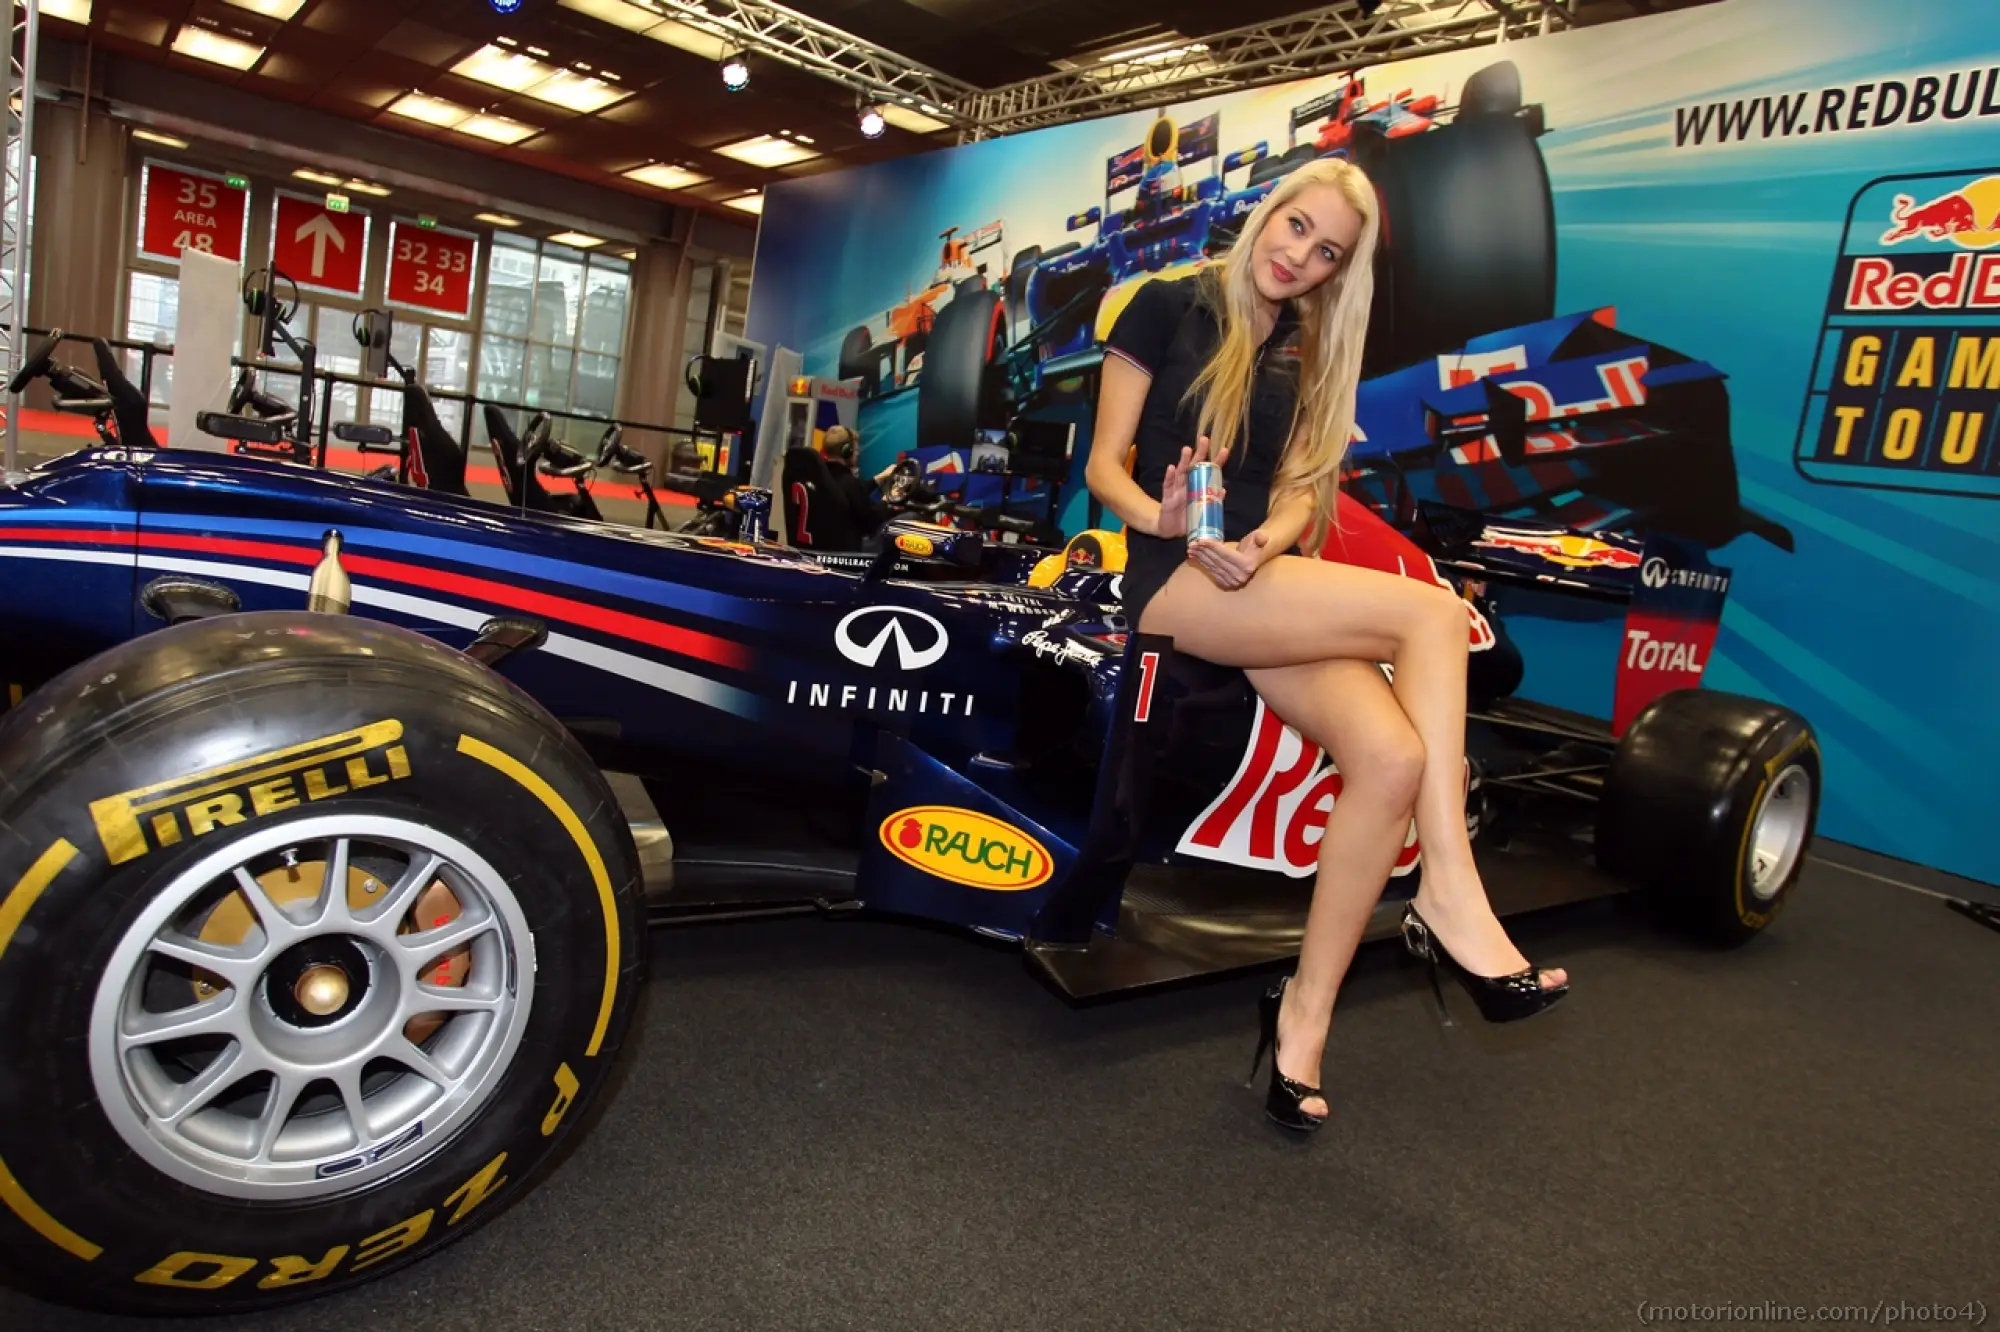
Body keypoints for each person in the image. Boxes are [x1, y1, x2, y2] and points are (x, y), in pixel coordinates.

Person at [1084, 158, 1570, 1134]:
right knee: (1429, 615)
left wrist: (1265, 536)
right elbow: (1103, 464)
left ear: (1337, 272)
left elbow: (1303, 486)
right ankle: (1447, 890)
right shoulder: (1163, 307)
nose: (1297, 254)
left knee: (1388, 757)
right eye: (1294, 227)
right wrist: (1162, 514)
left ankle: (1302, 1021)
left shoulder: (1306, 349)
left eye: (1325, 251)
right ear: (1267, 211)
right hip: (1168, 579)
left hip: (1259, 583)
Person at [820, 425, 896, 540]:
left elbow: (854, 494)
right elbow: (872, 523)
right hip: (851, 548)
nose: (857, 453)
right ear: (846, 451)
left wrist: (879, 478)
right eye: (855, 450)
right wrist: (888, 500)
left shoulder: (825, 476)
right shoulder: (848, 482)